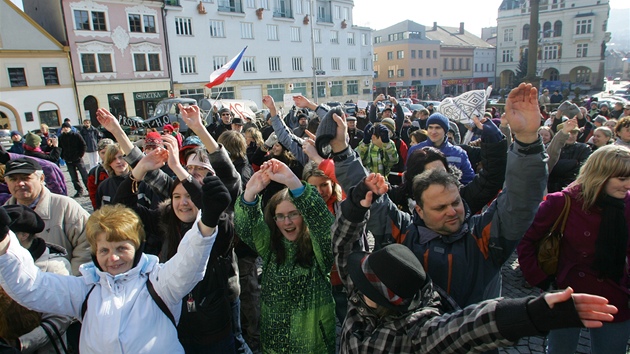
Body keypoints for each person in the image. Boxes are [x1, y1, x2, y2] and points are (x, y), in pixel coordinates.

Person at [333, 172, 618, 353]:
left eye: (453, 203)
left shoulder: (415, 330)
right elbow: (344, 245)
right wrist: (357, 205)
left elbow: (471, 326)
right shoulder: (361, 293)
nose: (451, 212)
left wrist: (533, 314)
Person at [0, 177, 231, 353]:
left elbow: (188, 264)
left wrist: (208, 222)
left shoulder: (157, 282)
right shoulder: (85, 290)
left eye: (122, 248)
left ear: (138, 247)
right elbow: (32, 287)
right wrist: (3, 243)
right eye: (104, 250)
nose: (113, 258)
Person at [398, 83, 547, 307]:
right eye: (439, 207)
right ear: (418, 206)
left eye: (455, 202)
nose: (451, 210)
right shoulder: (405, 234)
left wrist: (526, 141)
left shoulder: (483, 237)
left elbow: (517, 199)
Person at [518, 145, 630, 353]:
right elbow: (527, 241)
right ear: (601, 176)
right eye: (622, 179)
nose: (627, 185)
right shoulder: (563, 202)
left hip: (614, 294)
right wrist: (542, 279)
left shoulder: (627, 203)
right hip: (567, 292)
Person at [235, 159, 336, 354]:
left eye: (293, 214)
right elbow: (247, 228)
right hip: (275, 344)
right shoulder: (271, 247)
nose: (287, 222)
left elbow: (323, 226)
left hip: (312, 344)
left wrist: (294, 183)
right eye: (280, 216)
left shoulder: (319, 251)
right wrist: (249, 194)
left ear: (304, 215)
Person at [0, 205, 73, 354]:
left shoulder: (54, 266)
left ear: (23, 235)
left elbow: (59, 320)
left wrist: (20, 344)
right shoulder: (4, 262)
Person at [3, 157, 89, 275]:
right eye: (13, 179)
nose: (19, 183)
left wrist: (72, 281)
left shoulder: (65, 206)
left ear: (41, 178)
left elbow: (87, 245)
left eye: (25, 178)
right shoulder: (3, 214)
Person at [406, 113, 475, 184]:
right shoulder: (415, 150)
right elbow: (409, 177)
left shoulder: (458, 153)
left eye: (438, 128)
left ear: (445, 130)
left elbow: (468, 179)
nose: (433, 132)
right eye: (430, 127)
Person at [548, 122, 592, 192]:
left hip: (571, 190)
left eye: (574, 133)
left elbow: (581, 172)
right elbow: (547, 168)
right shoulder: (551, 148)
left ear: (577, 134)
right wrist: (572, 163)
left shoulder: (584, 149)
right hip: (549, 188)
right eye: (568, 133)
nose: (571, 136)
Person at [95, 144, 130, 209]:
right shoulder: (104, 187)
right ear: (109, 163)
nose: (118, 162)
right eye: (113, 159)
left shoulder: (142, 183)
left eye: (121, 157)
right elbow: (99, 211)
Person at [58, 122, 89, 198]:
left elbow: (83, 145)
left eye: (67, 127)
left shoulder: (76, 135)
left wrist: (80, 155)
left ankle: (89, 189)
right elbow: (60, 148)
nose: (65, 129)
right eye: (64, 127)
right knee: (74, 178)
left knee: (84, 175)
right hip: (68, 159)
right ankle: (79, 190)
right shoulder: (61, 137)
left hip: (78, 159)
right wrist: (62, 156)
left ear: (69, 128)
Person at [87, 138, 115, 210]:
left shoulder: (122, 167)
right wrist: (97, 209)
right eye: (103, 153)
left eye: (109, 152)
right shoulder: (95, 172)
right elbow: (93, 193)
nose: (106, 155)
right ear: (98, 153)